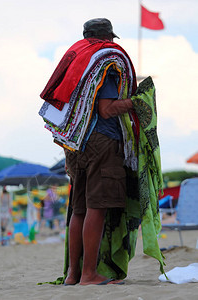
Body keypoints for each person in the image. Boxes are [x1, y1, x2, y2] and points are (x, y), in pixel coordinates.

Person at [39, 18, 165, 286]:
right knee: (97, 206)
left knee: (79, 209)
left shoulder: (79, 65)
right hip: (102, 142)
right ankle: (89, 275)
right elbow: (106, 109)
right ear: (108, 38)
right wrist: (136, 101)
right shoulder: (105, 64)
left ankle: (73, 274)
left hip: (75, 144)